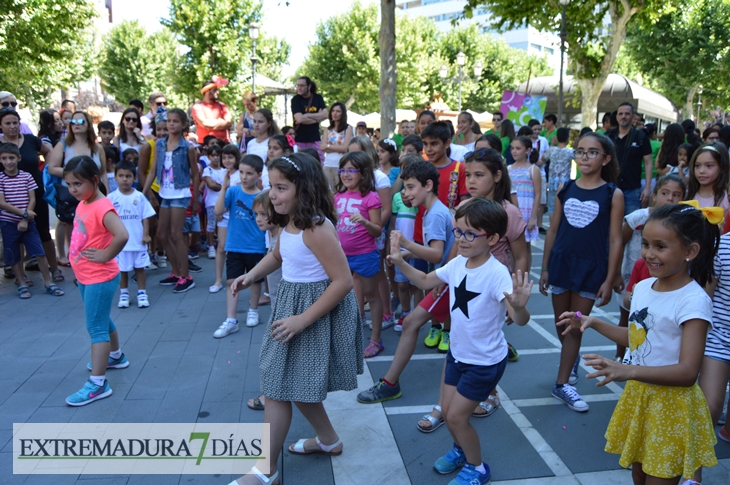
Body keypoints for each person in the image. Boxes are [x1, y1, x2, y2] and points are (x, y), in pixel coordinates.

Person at [559, 203, 719, 484]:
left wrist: (627, 370)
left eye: (661, 246)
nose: (649, 254)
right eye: (646, 244)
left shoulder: (693, 301)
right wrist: (594, 322)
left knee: (659, 477)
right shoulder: (644, 287)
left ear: (690, 252)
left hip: (671, 406)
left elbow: (687, 372)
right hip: (640, 396)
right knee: (638, 475)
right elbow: (637, 338)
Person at [227, 152, 362, 485]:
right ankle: (329, 440)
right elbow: (277, 254)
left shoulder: (315, 228)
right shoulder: (290, 223)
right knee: (294, 386)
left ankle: (265, 470)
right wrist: (251, 275)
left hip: (310, 313)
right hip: (293, 307)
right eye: (271, 186)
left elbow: (343, 282)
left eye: (282, 187)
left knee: (276, 387)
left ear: (304, 187)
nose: (273, 194)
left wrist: (302, 320)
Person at [389, 198, 532, 485]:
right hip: (458, 355)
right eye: (458, 231)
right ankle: (460, 450)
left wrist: (518, 306)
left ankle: (477, 468)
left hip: (485, 362)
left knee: (455, 417)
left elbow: (519, 320)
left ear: (491, 238)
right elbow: (426, 280)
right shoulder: (457, 264)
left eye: (470, 233)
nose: (462, 239)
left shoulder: (496, 273)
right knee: (449, 408)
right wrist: (401, 262)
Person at [356, 161, 455, 406]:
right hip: (449, 278)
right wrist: (409, 254)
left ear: (428, 185)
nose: (405, 192)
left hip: (450, 280)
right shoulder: (434, 210)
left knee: (411, 323)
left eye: (410, 187)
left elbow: (435, 254)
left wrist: (406, 246)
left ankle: (390, 384)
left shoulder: (435, 214)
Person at [540, 132, 624, 412]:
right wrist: (544, 268)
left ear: (605, 158)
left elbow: (615, 239)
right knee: (562, 325)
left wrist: (609, 279)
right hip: (561, 264)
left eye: (592, 152)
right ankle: (569, 359)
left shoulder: (613, 193)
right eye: (580, 151)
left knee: (575, 326)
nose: (584, 156)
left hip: (590, 268)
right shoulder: (566, 187)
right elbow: (552, 229)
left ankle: (562, 384)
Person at [63, 156, 129, 406]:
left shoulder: (102, 206)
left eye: (77, 184)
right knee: (101, 319)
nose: (73, 189)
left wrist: (104, 255)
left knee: (96, 328)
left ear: (94, 180)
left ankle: (98, 383)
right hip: (86, 276)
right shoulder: (85, 201)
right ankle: (116, 356)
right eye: (69, 184)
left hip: (99, 277)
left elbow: (121, 235)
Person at [614, 174, 686, 362]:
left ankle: (650, 357)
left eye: (676, 195)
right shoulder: (638, 217)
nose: (670, 199)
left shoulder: (682, 224)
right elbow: (619, 243)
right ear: (654, 194)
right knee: (628, 318)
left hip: (663, 276)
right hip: (634, 274)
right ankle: (621, 356)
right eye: (665, 193)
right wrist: (615, 274)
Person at [333, 151, 386, 357]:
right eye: (342, 170)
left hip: (365, 255)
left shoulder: (371, 197)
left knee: (372, 296)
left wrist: (364, 222)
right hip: (340, 256)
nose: (345, 175)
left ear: (363, 174)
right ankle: (348, 337)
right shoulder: (337, 196)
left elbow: (377, 230)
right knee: (344, 298)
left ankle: (376, 340)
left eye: (351, 170)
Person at [142, 108, 200, 293]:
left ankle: (186, 276)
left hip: (181, 194)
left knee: (176, 234)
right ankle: (176, 272)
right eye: (169, 121)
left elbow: (196, 174)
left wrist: (196, 198)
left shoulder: (188, 147)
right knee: (161, 235)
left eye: (175, 121)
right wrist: (143, 194)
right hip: (165, 194)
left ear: (183, 124)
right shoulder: (159, 144)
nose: (171, 124)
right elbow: (152, 171)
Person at [0, 108, 60, 282]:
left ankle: (54, 268)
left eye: (15, 123)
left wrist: (47, 172)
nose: (12, 126)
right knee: (15, 236)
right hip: (10, 199)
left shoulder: (31, 141)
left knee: (43, 232)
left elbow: (48, 151)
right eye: (8, 123)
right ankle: (21, 276)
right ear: (1, 125)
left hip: (35, 193)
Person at [0, 143, 64, 299]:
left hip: (28, 222)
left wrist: (25, 218)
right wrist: (23, 213)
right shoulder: (0, 179)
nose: (8, 161)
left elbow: (32, 199)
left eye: (11, 158)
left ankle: (48, 282)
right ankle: (21, 283)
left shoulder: (26, 176)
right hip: (9, 223)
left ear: (19, 158)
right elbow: (2, 203)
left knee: (39, 252)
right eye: (4, 158)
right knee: (14, 255)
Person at [213, 155, 266, 337]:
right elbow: (218, 211)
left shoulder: (262, 196)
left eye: (249, 173)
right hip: (235, 245)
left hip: (256, 245)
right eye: (241, 172)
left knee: (255, 280)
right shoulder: (233, 192)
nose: (244, 177)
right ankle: (231, 319)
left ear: (259, 175)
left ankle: (253, 309)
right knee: (231, 282)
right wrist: (224, 187)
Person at [694, 227, 730, 483]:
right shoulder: (722, 247)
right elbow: (704, 295)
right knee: (709, 406)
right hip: (719, 337)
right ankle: (693, 476)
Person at [107, 160, 155, 309]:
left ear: (134, 178)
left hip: (137, 241)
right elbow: (107, 220)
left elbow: (145, 216)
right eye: (121, 176)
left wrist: (146, 235)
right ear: (115, 177)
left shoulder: (139, 196)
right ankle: (124, 294)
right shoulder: (111, 198)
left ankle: (142, 293)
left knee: (139, 268)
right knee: (122, 270)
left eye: (128, 176)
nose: (124, 179)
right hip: (120, 243)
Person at [606, 103, 652, 215]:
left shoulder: (641, 137)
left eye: (627, 114)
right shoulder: (608, 136)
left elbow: (648, 162)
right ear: (616, 116)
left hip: (632, 189)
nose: (623, 116)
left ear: (633, 117)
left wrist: (647, 188)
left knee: (631, 224)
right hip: (610, 188)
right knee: (608, 225)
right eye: (620, 114)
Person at [209, 144, 241, 293]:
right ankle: (218, 280)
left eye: (230, 157)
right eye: (224, 157)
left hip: (239, 216)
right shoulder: (221, 173)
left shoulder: (241, 173)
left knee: (237, 249)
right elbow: (219, 194)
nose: (227, 160)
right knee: (221, 247)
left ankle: (240, 278)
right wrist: (219, 209)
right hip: (225, 214)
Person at [508, 137, 541, 270]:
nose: (514, 151)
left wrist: (533, 217)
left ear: (528, 150)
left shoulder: (533, 169)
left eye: (518, 148)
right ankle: (513, 274)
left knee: (526, 246)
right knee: (511, 245)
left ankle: (525, 276)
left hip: (526, 213)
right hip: (512, 212)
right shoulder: (508, 168)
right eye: (512, 148)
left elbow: (538, 194)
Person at [291, 76, 327, 160]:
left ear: (309, 86)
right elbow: (299, 119)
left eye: (302, 86)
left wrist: (307, 115)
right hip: (299, 140)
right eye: (298, 85)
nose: (299, 88)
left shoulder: (318, 98)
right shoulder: (295, 100)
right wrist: (317, 117)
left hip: (315, 139)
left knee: (320, 164)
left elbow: (325, 114)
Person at [543, 127, 573, 216]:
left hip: (552, 182)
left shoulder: (552, 150)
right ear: (568, 138)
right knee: (563, 206)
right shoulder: (570, 152)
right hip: (564, 184)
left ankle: (552, 227)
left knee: (552, 208)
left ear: (556, 137)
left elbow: (543, 158)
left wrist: (552, 144)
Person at [323, 102, 353, 190]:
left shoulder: (348, 128)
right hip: (327, 164)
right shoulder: (327, 129)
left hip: (341, 165)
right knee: (328, 192)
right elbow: (322, 147)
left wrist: (328, 146)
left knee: (341, 191)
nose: (335, 113)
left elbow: (345, 148)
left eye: (338, 111)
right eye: (333, 111)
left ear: (343, 114)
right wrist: (338, 148)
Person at [246, 108, 279, 189]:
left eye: (260, 122)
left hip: (268, 181)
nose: (256, 125)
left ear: (269, 124)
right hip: (252, 182)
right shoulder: (251, 143)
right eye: (254, 121)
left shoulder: (273, 143)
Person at [192, 79, 233, 144]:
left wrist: (211, 125)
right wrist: (221, 121)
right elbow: (205, 124)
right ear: (207, 91)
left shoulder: (222, 105)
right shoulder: (197, 107)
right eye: (215, 90)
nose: (218, 92)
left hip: (224, 143)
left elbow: (229, 122)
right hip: (205, 145)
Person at [202, 144, 223, 259]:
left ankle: (222, 245)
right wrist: (222, 185)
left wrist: (218, 184)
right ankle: (211, 247)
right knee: (211, 225)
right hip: (211, 202)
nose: (216, 158)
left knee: (223, 224)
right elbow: (211, 185)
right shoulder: (207, 170)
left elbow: (228, 185)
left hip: (224, 202)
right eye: (213, 155)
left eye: (218, 155)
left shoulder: (225, 170)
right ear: (209, 156)